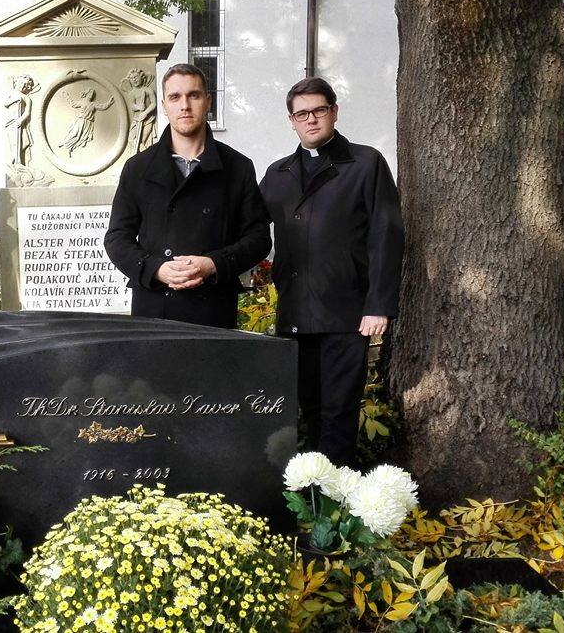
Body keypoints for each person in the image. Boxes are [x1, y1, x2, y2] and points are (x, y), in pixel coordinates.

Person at [259, 76, 403, 466]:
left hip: (346, 313)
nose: (311, 119)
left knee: (339, 413)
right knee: (309, 411)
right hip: (295, 312)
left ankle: (336, 494)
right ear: (291, 120)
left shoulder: (365, 164)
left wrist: (378, 305)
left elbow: (386, 236)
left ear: (334, 112)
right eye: (301, 114)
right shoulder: (278, 174)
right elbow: (250, 230)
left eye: (319, 110)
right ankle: (312, 490)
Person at [104, 63, 271, 328]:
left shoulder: (237, 167)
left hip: (213, 310)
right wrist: (156, 268)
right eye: (175, 97)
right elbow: (116, 238)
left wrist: (213, 263)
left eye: (193, 95)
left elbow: (258, 239)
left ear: (208, 101)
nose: (185, 106)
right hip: (154, 308)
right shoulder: (138, 168)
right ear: (164, 105)